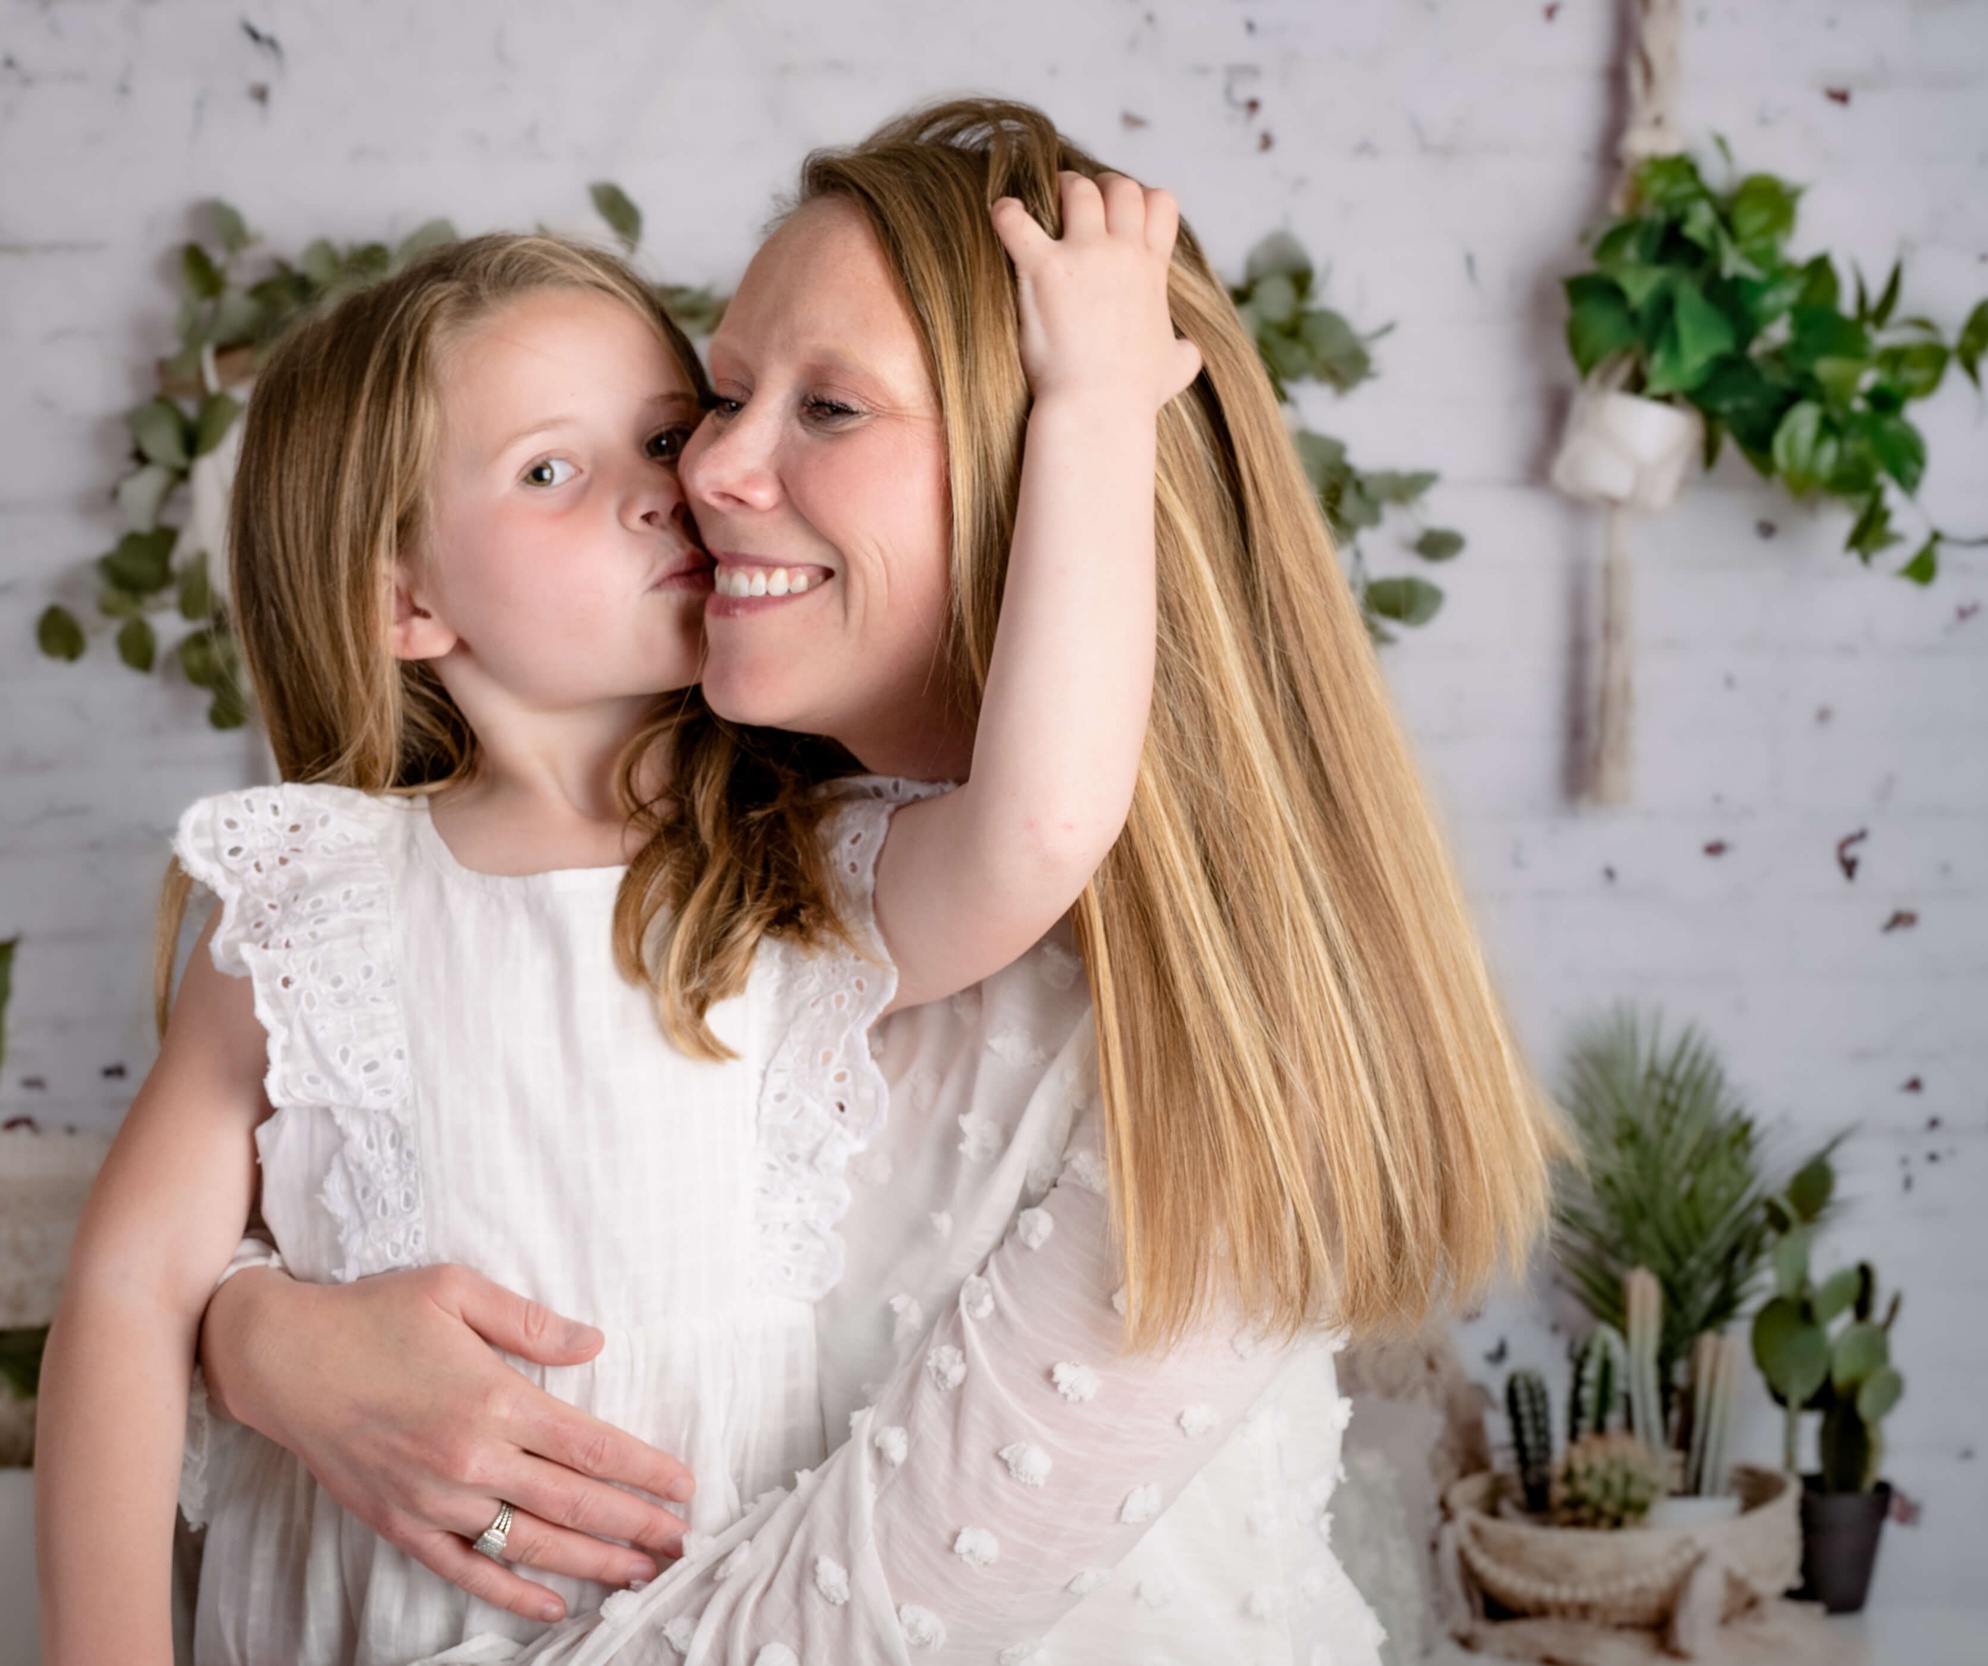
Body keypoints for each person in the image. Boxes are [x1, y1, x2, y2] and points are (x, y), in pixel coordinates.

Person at [193, 99, 1567, 1666]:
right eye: (712, 399)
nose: (707, 469)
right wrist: (264, 1338)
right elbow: (336, 1180)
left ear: (1037, 470)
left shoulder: (1212, 1065)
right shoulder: (690, 884)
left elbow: (818, 1634)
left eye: (829, 411)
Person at [36, 179, 1198, 1666]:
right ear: (405, 597)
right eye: (548, 471)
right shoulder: (314, 899)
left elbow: (1044, 817)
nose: (667, 487)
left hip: (709, 1621)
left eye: (660, 437)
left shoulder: (787, 879)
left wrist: (1094, 408)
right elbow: (133, 1290)